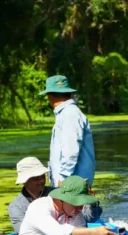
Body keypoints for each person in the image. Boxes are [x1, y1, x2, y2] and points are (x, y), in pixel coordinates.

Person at [39, 75, 102, 221]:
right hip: (71, 188)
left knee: (79, 222)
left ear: (50, 96)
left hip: (72, 188)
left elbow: (71, 151)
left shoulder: (69, 114)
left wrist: (64, 179)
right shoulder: (67, 114)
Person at [18, 176, 118, 235]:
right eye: (76, 203)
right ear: (62, 199)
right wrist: (94, 232)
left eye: (82, 204)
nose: (80, 208)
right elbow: (58, 232)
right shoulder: (39, 207)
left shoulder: (76, 214)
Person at [8, 157, 54, 234]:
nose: (42, 180)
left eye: (43, 176)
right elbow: (26, 233)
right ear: (24, 181)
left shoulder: (57, 194)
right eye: (36, 178)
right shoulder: (16, 206)